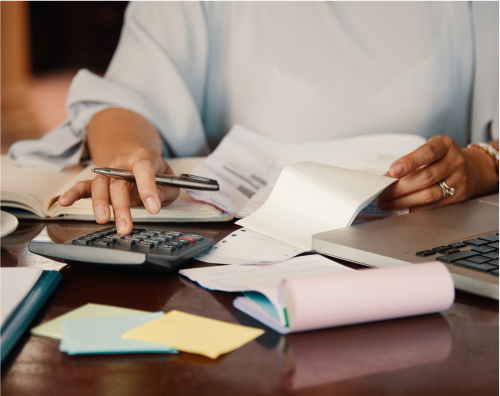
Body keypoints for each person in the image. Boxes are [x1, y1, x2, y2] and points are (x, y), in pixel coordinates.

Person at [9, 2, 499, 235]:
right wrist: (129, 154)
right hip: (248, 246)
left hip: (426, 243)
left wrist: (481, 166)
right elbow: (127, 98)